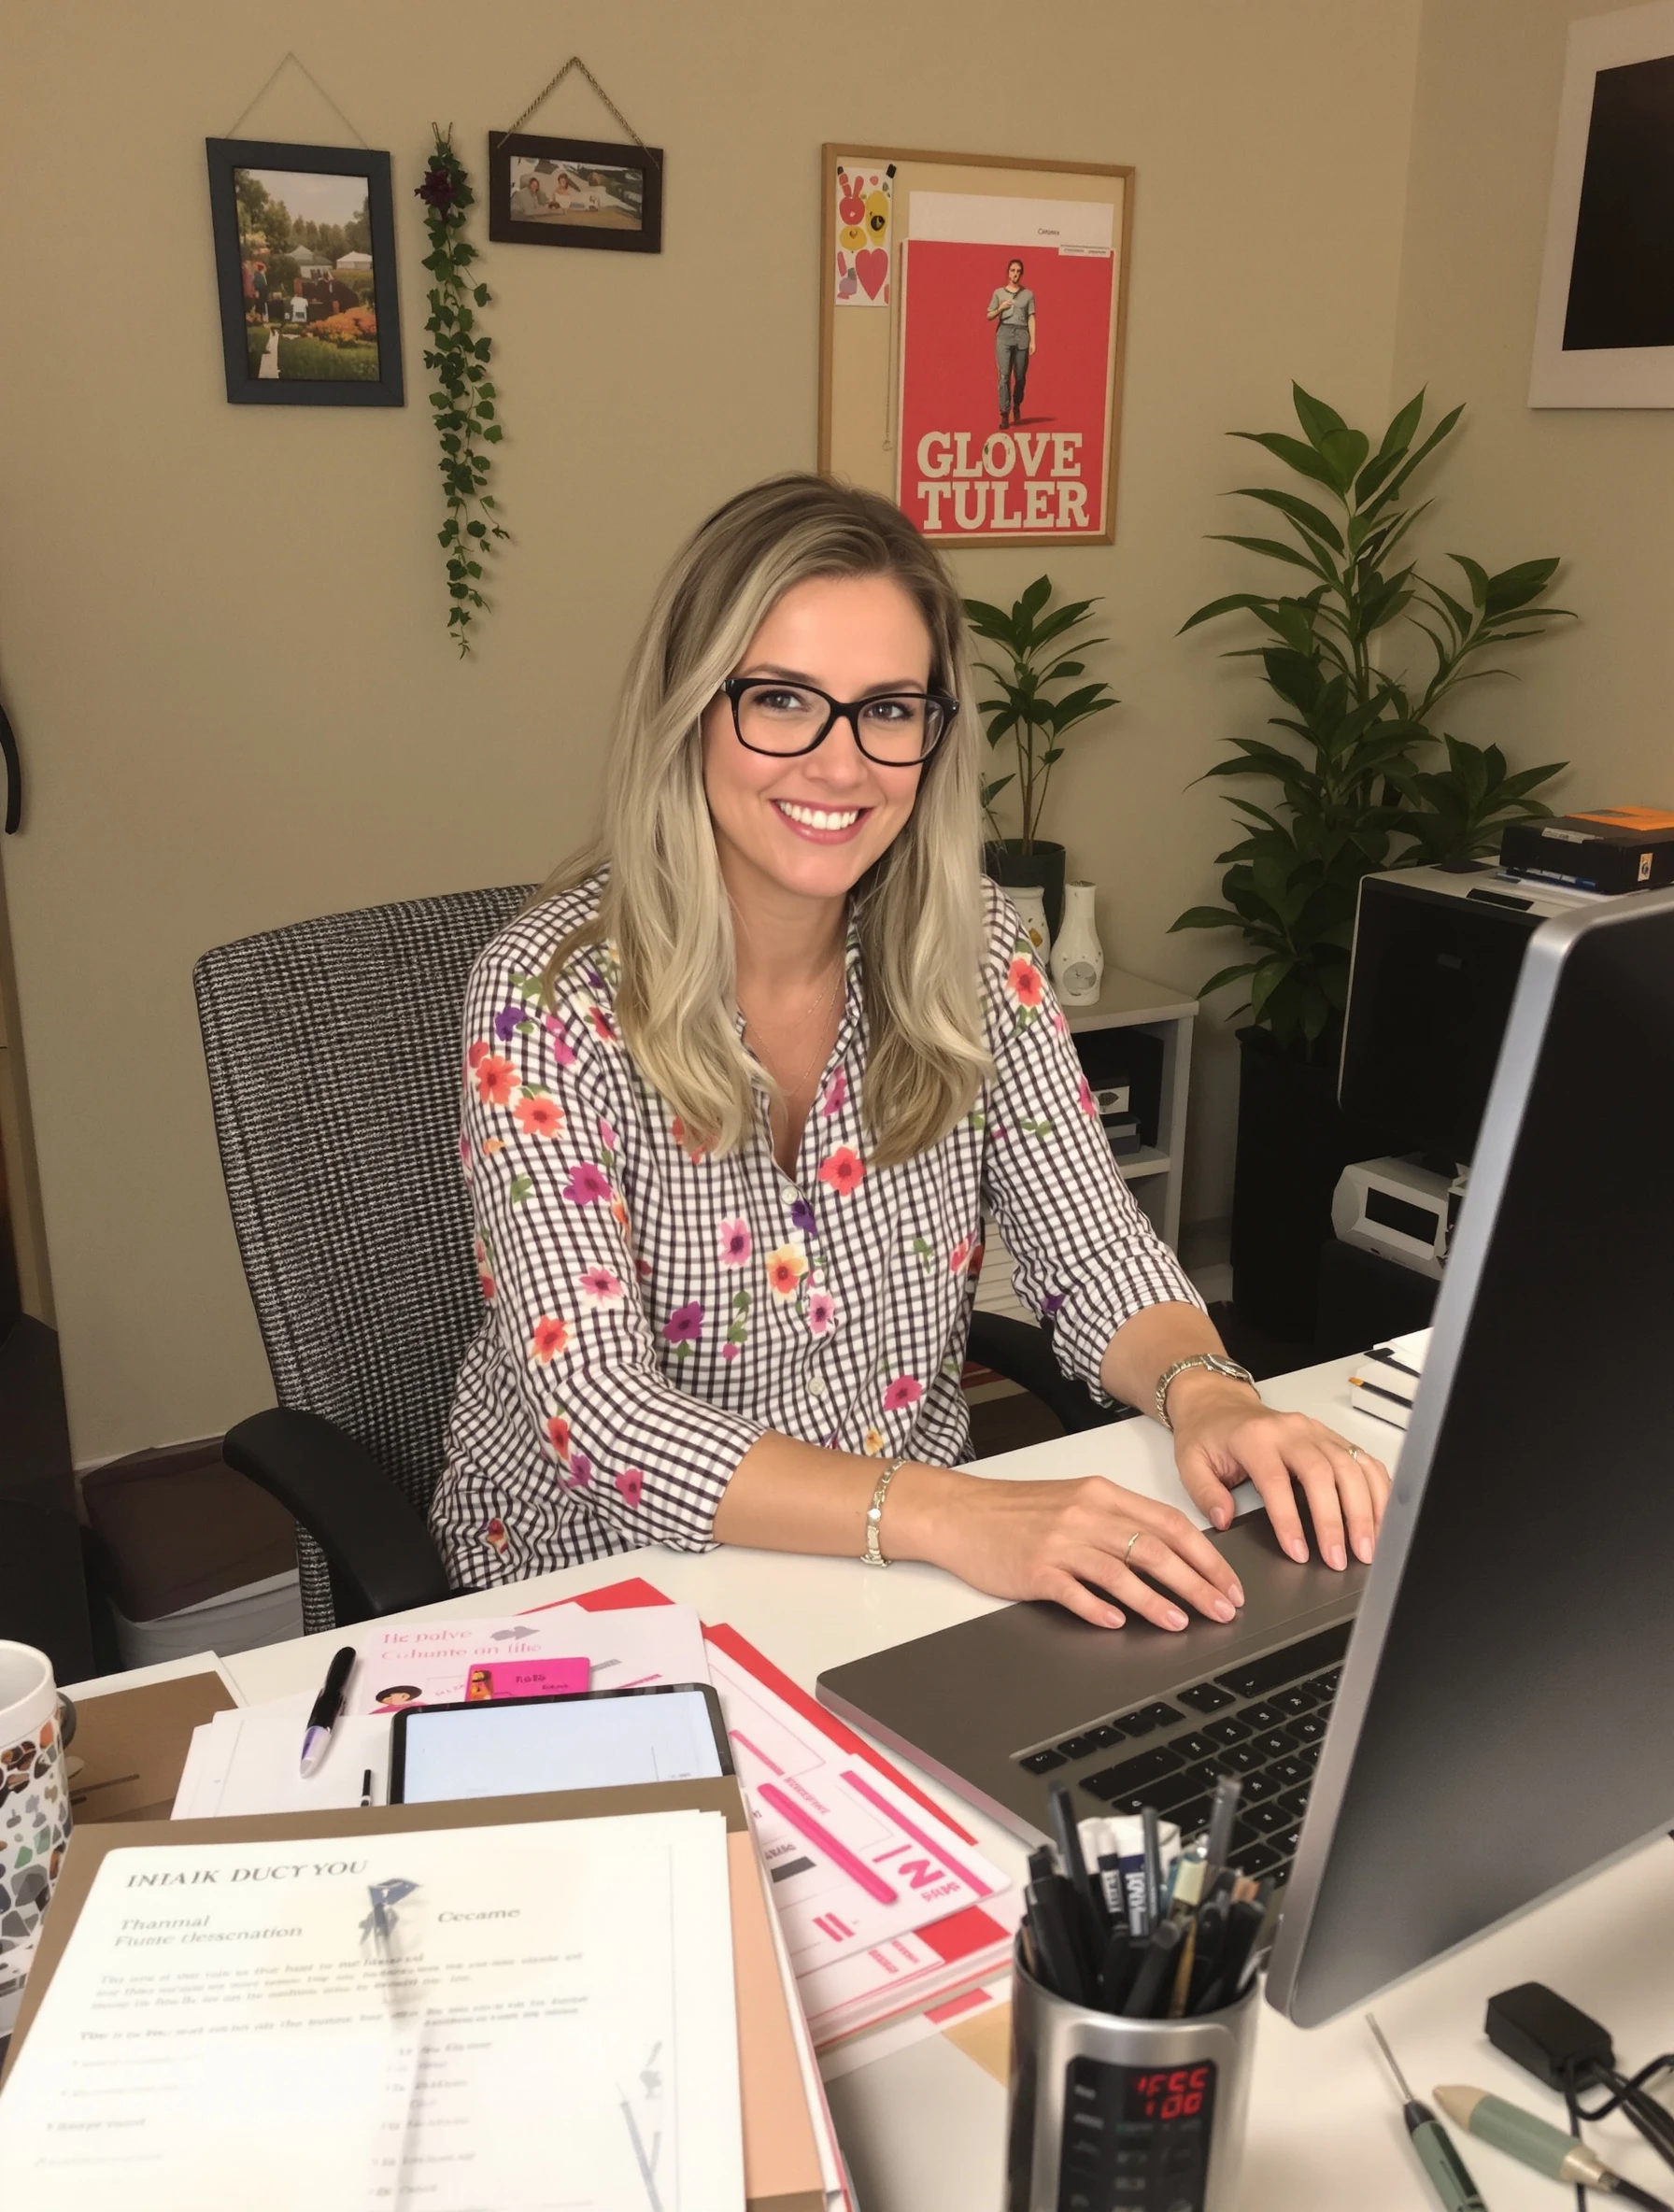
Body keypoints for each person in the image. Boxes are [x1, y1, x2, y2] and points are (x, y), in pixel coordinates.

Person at [432, 475, 1389, 1633]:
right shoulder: (547, 995)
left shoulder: (979, 948)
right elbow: (601, 1411)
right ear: (688, 710)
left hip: (896, 1577)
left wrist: (1208, 1392)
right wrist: (948, 1515)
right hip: (601, 1583)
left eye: (889, 708)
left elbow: (1091, 1247)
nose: (843, 767)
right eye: (782, 700)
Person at [987, 258, 1036, 429]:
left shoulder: (1028, 294)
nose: (1015, 274)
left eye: (1018, 271)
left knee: (1020, 377)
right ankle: (1004, 413)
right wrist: (1001, 308)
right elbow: (989, 315)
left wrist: (1033, 341)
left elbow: (1031, 317)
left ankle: (1016, 404)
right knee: (1004, 376)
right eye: (1012, 270)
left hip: (1022, 334)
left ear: (1021, 274)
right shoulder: (998, 293)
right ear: (1008, 272)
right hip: (1004, 334)